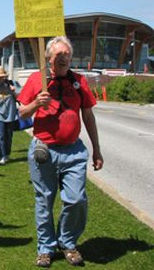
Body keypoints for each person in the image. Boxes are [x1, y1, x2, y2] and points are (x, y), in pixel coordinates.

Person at [17, 36, 103, 268]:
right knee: (44, 201)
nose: (64, 57)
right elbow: (21, 114)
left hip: (74, 152)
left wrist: (96, 150)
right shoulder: (37, 80)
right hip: (43, 151)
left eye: (67, 54)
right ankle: (45, 249)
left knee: (76, 199)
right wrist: (36, 104)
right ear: (48, 59)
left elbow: (88, 116)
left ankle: (67, 242)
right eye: (58, 55)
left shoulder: (79, 81)